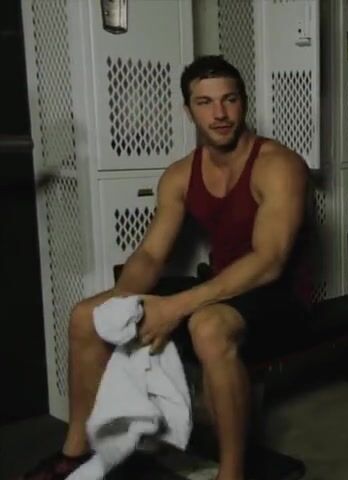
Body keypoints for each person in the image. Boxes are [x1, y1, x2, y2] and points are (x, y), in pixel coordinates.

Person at [19, 55, 313, 480]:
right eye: (205, 102)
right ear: (188, 110)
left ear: (244, 103)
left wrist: (173, 308)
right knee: (87, 315)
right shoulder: (179, 175)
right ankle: (76, 452)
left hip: (280, 295)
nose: (219, 113)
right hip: (223, 284)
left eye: (229, 99)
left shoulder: (278, 165)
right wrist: (124, 303)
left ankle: (232, 473)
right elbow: (151, 256)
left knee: (208, 327)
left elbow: (269, 262)